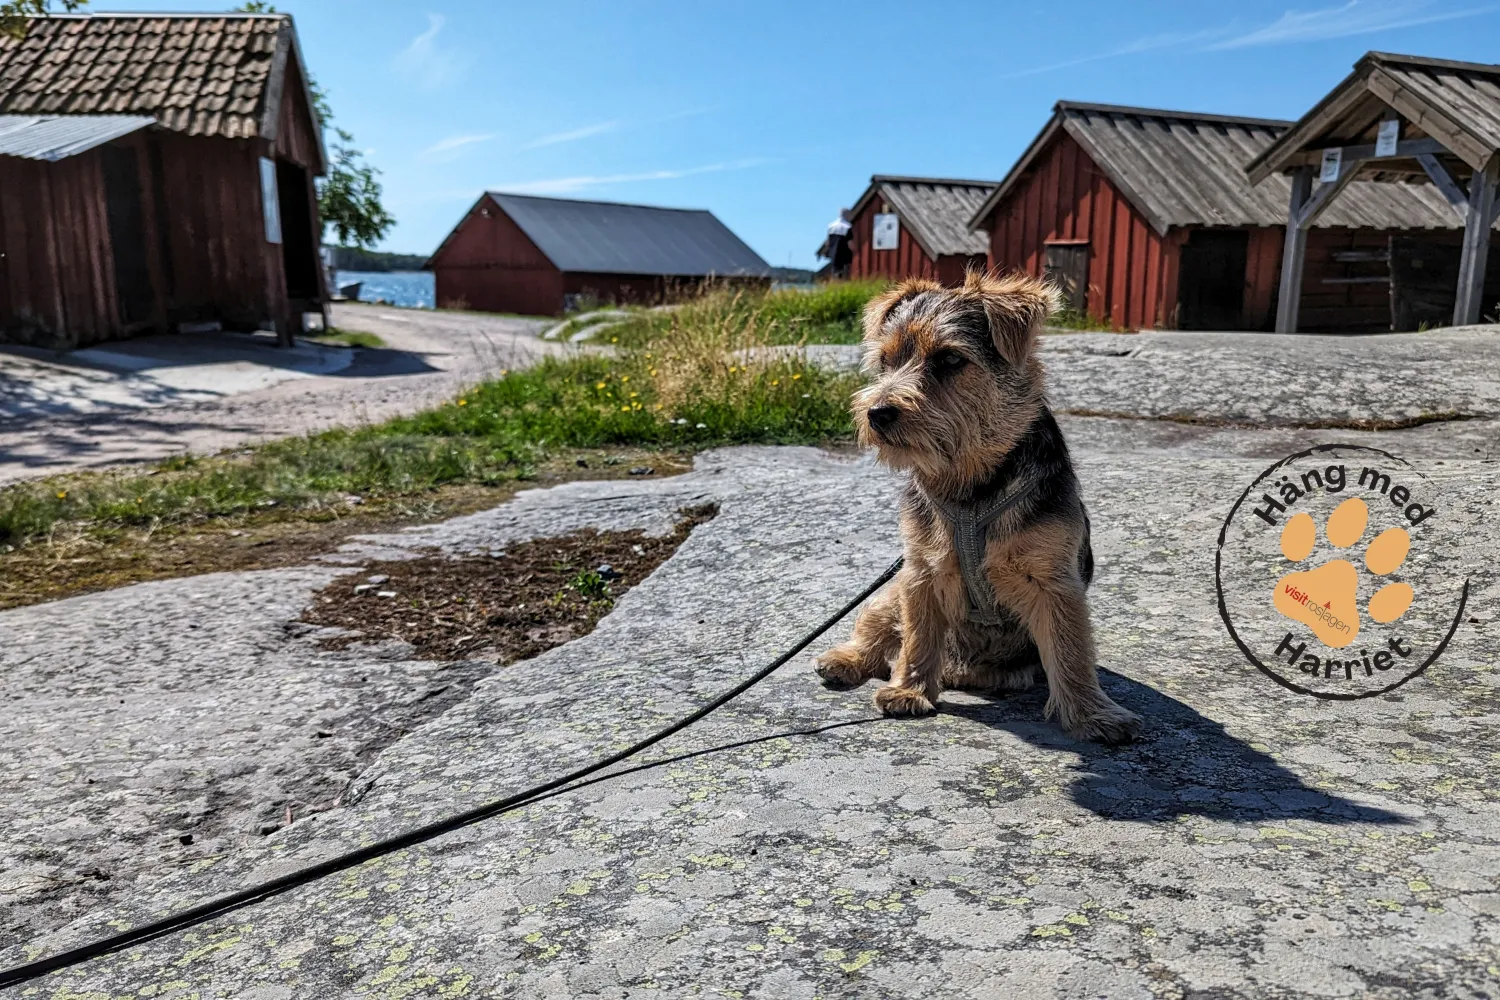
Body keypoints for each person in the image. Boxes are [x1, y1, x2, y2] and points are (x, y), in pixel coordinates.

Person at [817, 208, 854, 279]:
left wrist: (827, 250)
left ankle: (835, 283)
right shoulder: (847, 227)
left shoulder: (831, 226)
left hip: (833, 252)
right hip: (844, 252)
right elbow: (850, 243)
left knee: (835, 270)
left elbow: (828, 242)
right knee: (844, 271)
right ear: (847, 215)